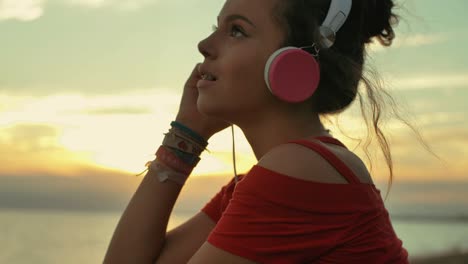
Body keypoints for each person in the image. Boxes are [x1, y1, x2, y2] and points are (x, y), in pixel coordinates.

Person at [104, 0, 410, 263]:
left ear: (293, 63)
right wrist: (186, 133)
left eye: (236, 30)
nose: (205, 45)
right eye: (217, 26)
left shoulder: (300, 171)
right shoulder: (265, 181)